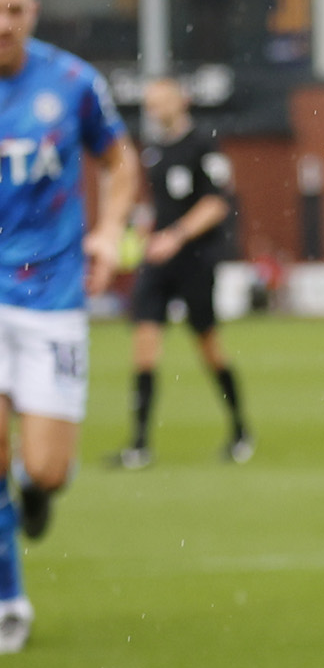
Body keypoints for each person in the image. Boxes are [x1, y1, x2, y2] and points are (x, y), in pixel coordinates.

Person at [0, 0, 138, 653]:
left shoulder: (72, 82)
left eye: (15, 9)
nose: (3, 22)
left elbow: (119, 161)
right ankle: (8, 597)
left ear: (33, 11)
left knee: (46, 469)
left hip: (51, 292)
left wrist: (110, 231)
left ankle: (39, 487)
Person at [116, 75, 252, 466]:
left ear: (183, 101)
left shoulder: (204, 145)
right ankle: (139, 444)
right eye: (151, 104)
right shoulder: (153, 150)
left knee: (208, 346)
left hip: (195, 260)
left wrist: (175, 236)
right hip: (157, 261)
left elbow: (216, 205)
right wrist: (144, 233)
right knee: (144, 347)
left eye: (162, 101)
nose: (156, 109)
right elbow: (156, 205)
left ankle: (240, 429)